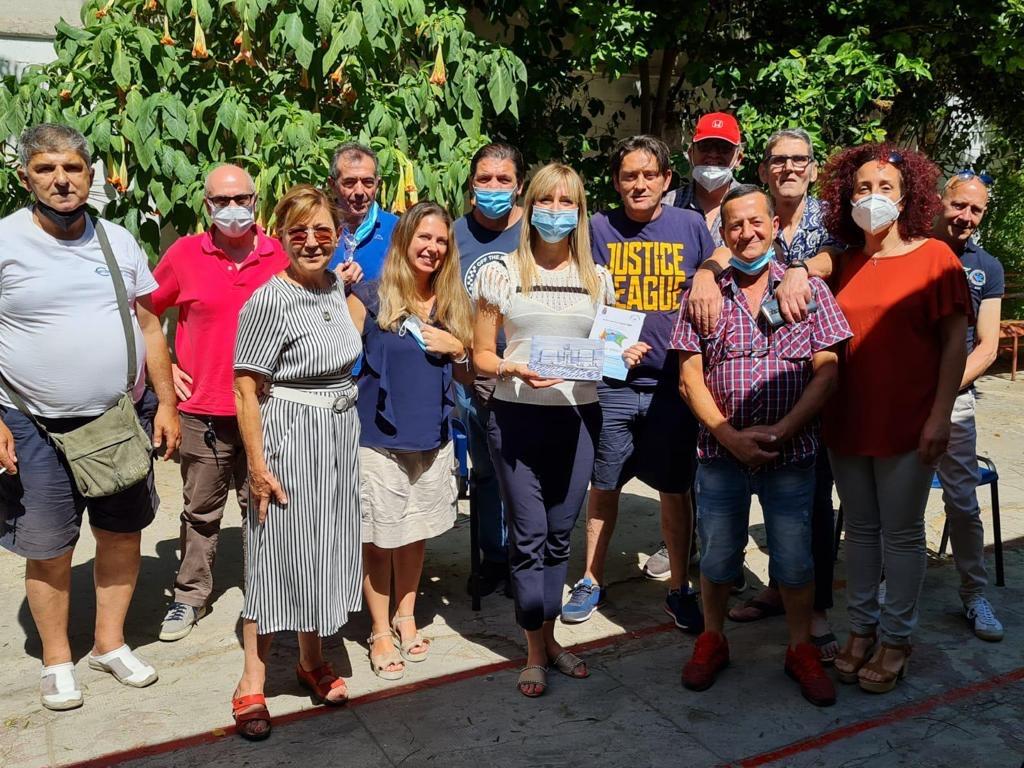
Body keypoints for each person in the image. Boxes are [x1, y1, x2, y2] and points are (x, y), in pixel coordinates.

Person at [0, 123, 180, 711]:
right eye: (46, 168)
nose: (61, 180)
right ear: (25, 177)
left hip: (116, 420)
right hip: (31, 424)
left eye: (72, 167)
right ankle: (56, 660)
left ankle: (109, 644)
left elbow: (149, 325)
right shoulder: (5, 242)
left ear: (90, 174)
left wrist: (166, 402)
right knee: (48, 545)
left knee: (122, 534)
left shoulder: (117, 241)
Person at [671, 185, 850, 706]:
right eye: (735, 225)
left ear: (774, 226)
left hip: (790, 455)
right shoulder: (702, 294)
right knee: (717, 556)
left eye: (756, 222)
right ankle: (713, 639)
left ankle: (799, 648)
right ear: (723, 234)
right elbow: (689, 378)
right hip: (719, 456)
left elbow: (829, 371)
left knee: (794, 560)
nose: (746, 233)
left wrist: (783, 429)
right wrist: (728, 435)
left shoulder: (808, 290)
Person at [820, 145, 970, 694]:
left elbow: (954, 344)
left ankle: (897, 639)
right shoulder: (843, 262)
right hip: (847, 418)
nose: (873, 196)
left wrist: (940, 415)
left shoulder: (936, 258)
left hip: (910, 420)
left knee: (902, 534)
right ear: (848, 197)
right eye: (863, 187)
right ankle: (861, 630)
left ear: (907, 198)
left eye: (885, 187)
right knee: (859, 531)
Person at [474, 163, 627, 698]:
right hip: (516, 417)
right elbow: (480, 354)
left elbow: (606, 350)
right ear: (530, 206)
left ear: (580, 212)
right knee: (529, 535)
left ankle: (552, 638)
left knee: (561, 534)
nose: (556, 211)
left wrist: (624, 353)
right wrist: (511, 367)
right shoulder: (500, 272)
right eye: (546, 200)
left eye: (567, 202)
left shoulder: (597, 278)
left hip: (578, 418)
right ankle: (534, 651)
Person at [561, 135, 713, 632]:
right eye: (630, 175)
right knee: (604, 483)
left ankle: (678, 587)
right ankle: (590, 579)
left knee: (674, 487)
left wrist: (707, 272)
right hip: (613, 381)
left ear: (667, 179)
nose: (640, 184)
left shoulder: (690, 225)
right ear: (616, 181)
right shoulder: (598, 228)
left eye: (650, 175)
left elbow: (718, 268)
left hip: (674, 382)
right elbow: (580, 296)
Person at [230, 184, 363, 739]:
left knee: (324, 551)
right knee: (275, 553)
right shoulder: (268, 300)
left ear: (338, 235)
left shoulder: (335, 286)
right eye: (298, 232)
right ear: (281, 238)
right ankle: (251, 679)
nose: (311, 242)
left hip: (337, 438)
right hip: (290, 438)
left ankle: (311, 659)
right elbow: (245, 388)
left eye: (322, 231)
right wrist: (258, 468)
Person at [152, 164, 288, 642]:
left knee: (264, 505)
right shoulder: (185, 254)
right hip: (203, 409)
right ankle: (190, 596)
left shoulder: (280, 254)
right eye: (221, 201)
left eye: (241, 199)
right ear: (206, 205)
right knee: (201, 510)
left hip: (267, 409)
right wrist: (164, 366)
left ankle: (267, 592)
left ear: (255, 200)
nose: (232, 209)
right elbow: (143, 312)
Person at [348, 201, 474, 680]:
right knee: (379, 537)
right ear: (403, 241)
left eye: (441, 240)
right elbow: (338, 362)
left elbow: (469, 374)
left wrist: (458, 347)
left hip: (432, 438)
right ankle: (380, 629)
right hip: (377, 439)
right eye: (424, 237)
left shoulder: (450, 301)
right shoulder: (369, 295)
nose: (433, 248)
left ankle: (406, 615)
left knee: (414, 531)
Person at [933, 170, 1005, 642]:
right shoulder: (912, 247)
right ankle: (885, 586)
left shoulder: (986, 267)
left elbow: (988, 346)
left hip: (955, 404)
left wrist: (941, 392)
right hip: (900, 399)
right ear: (941, 200)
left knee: (962, 503)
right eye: (959, 204)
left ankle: (974, 595)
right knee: (897, 503)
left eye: (976, 210)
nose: (966, 216)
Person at [454, 142, 526, 596]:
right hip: (471, 375)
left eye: (504, 179)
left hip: (525, 373)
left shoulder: (536, 230)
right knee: (483, 472)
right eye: (485, 179)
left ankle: (525, 558)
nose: (494, 187)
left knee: (524, 474)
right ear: (472, 184)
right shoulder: (455, 233)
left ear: (519, 185)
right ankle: (493, 558)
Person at [663, 112, 744, 247]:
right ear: (690, 153)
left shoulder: (753, 205)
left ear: (738, 159)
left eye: (724, 147)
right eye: (705, 146)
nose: (713, 154)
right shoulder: (668, 205)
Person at [327, 142, 399, 283]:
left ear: (378, 184)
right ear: (332, 185)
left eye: (368, 182)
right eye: (349, 182)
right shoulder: (317, 229)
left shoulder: (397, 229)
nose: (359, 191)